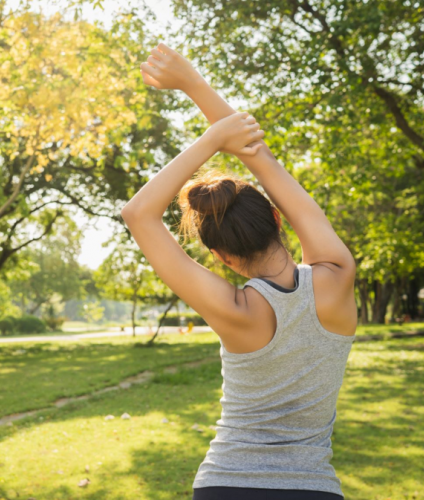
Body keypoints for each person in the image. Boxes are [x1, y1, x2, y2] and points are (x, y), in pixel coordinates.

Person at [121, 43, 358, 500]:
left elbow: (139, 214)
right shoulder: (338, 275)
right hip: (313, 489)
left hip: (225, 485)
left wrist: (210, 140)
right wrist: (195, 84)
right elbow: (261, 162)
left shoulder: (233, 308)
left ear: (222, 258)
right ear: (277, 218)